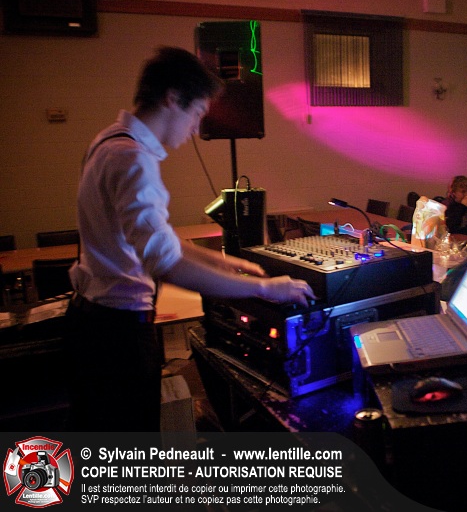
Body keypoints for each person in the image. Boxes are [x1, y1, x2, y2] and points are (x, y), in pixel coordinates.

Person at [66, 47, 315, 431]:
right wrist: (266, 288)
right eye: (197, 112)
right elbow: (164, 262)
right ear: (172, 98)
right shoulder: (133, 159)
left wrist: (222, 262)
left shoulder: (107, 141)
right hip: (119, 336)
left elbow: (154, 242)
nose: (196, 128)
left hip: (92, 323)